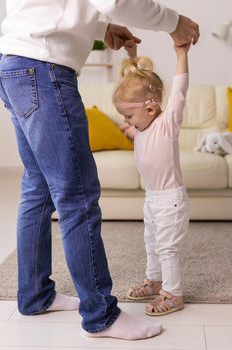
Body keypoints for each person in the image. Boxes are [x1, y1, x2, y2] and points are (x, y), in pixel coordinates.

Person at [0, 0, 199, 340]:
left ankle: (35, 296)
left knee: (38, 187)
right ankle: (101, 315)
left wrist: (100, 28)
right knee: (77, 196)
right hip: (44, 69)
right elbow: (115, 1)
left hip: (14, 63)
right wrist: (174, 21)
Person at [113, 43, 191, 316]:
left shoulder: (166, 125)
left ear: (150, 107)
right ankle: (155, 280)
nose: (126, 121)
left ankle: (173, 294)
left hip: (171, 200)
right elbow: (136, 133)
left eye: (128, 115)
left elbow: (179, 92)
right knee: (152, 243)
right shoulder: (141, 129)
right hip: (152, 197)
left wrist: (182, 54)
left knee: (167, 248)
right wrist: (131, 56)